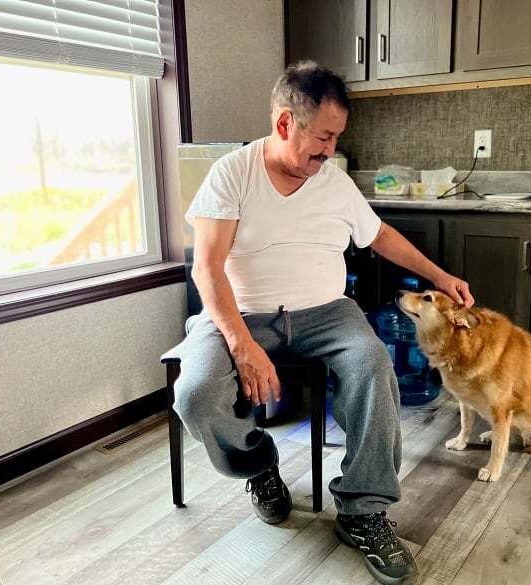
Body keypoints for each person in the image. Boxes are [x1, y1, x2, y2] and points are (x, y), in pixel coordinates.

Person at [173, 60, 474, 585]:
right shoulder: (232, 174)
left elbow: (380, 236)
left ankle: (362, 511)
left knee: (373, 367)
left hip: (327, 313)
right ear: (285, 123)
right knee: (196, 392)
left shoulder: (332, 182)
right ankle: (260, 466)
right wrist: (243, 346)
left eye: (336, 138)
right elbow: (207, 269)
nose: (329, 149)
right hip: (240, 311)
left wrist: (440, 275)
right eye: (323, 137)